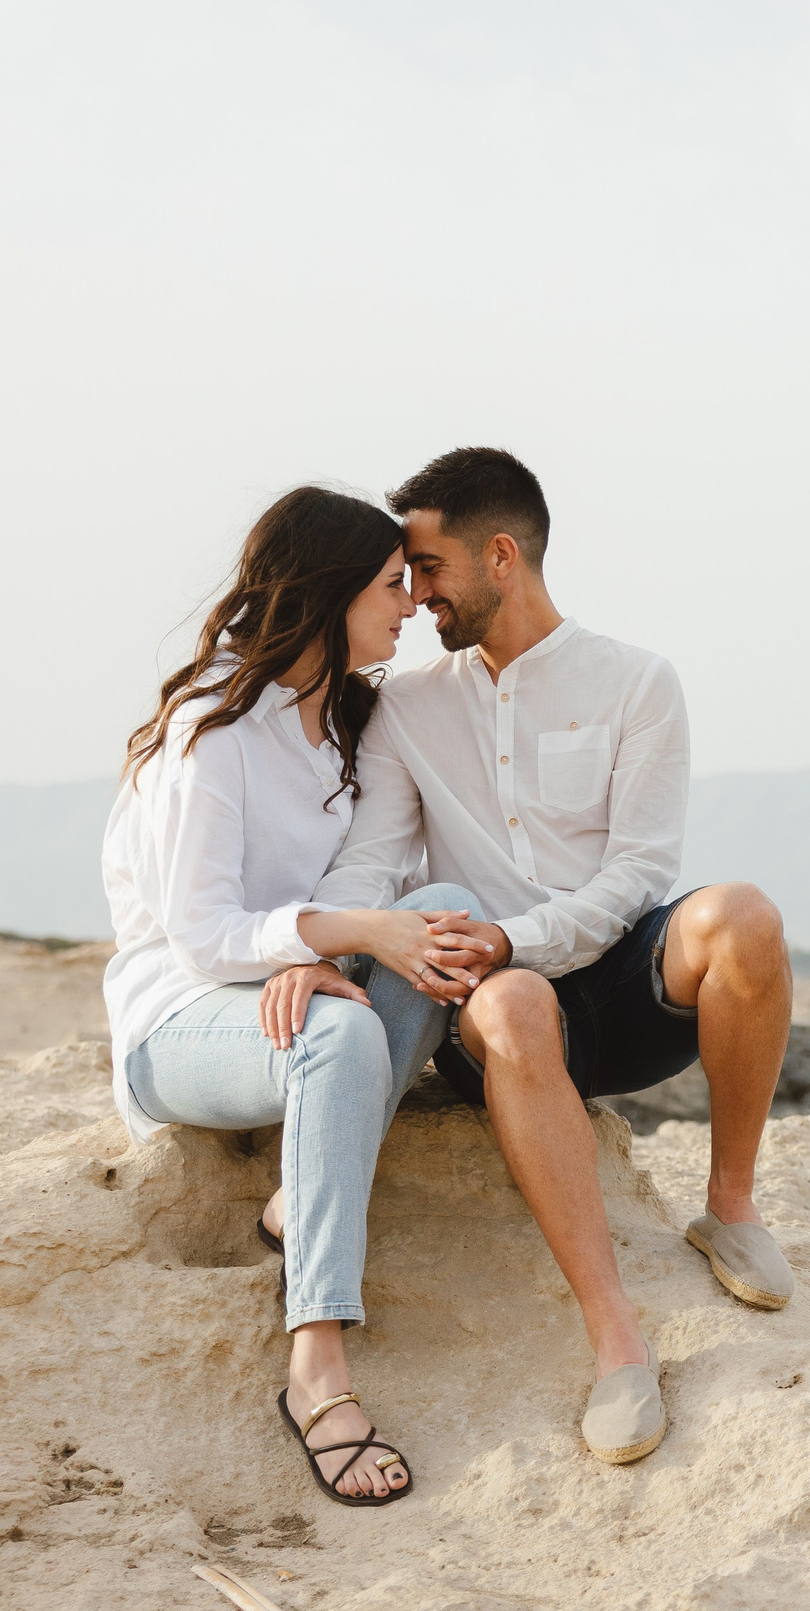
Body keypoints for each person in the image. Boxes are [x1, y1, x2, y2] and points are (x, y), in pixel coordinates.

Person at [312, 446, 794, 1467]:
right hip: (496, 1015)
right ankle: (619, 1342)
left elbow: (639, 871)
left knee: (743, 914)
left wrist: (521, 933)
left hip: (619, 987)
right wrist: (318, 945)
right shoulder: (406, 706)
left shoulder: (636, 682)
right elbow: (372, 859)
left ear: (499, 557)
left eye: (428, 570)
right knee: (516, 1000)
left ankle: (731, 1209)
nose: (414, 595)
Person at [103, 486, 490, 1507]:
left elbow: (358, 885)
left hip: (287, 993)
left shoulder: (346, 722)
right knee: (336, 1034)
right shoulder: (209, 733)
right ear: (326, 594)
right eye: (390, 584)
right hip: (178, 1020)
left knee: (441, 910)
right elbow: (200, 936)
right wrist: (324, 946)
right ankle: (316, 1362)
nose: (409, 603)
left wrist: (321, 947)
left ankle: (298, 1198)